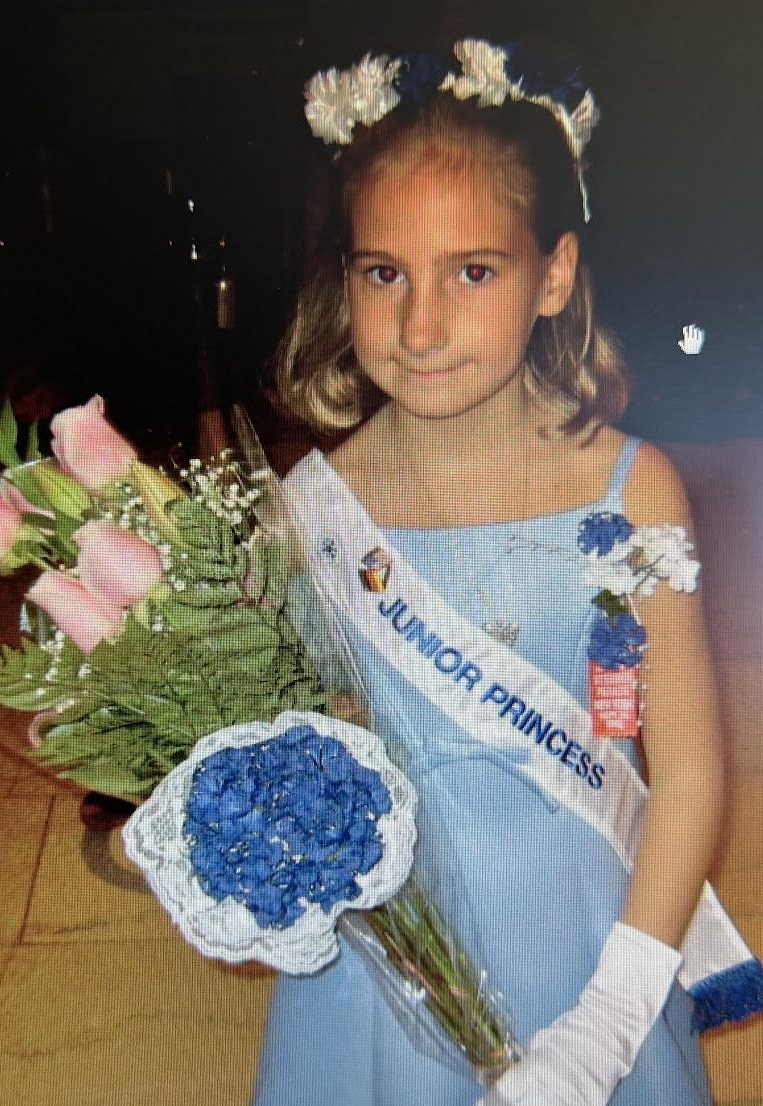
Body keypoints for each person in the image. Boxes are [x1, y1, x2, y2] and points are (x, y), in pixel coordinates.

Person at [251, 38, 763, 1106]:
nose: (420, 325)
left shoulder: (631, 490)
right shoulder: (308, 515)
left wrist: (604, 1029)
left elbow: (689, 779)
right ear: (344, 279)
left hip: (588, 967)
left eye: (472, 271)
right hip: (383, 985)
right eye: (383, 273)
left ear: (553, 276)